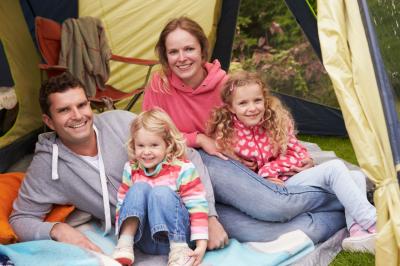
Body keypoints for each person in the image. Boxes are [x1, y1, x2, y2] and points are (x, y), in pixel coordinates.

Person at [143, 16, 348, 249]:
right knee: (267, 233)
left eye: (189, 48)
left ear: (202, 50)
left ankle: (341, 191)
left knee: (274, 207)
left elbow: (265, 126)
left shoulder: (226, 86)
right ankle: (342, 208)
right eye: (173, 52)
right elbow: (149, 135)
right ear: (165, 55)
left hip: (222, 165)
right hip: (186, 172)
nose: (182, 58)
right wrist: (198, 138)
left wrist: (294, 155)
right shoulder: (159, 86)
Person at [207, 71, 377, 253]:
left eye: (257, 101)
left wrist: (284, 166)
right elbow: (236, 176)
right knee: (335, 168)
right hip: (272, 191)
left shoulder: (276, 120)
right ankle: (375, 222)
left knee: (355, 175)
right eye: (243, 103)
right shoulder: (227, 135)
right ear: (231, 108)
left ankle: (358, 232)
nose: (252, 108)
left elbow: (297, 152)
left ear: (264, 99)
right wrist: (265, 179)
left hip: (294, 177)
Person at [112, 109, 208, 266]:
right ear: (133, 145)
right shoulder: (131, 169)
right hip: (144, 240)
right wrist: (120, 234)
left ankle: (178, 251)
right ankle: (125, 243)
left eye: (154, 145)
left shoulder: (183, 168)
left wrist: (201, 245)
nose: (146, 152)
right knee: (138, 189)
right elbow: (122, 203)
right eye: (141, 145)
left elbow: (197, 206)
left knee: (160, 192)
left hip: (177, 237)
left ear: (168, 144)